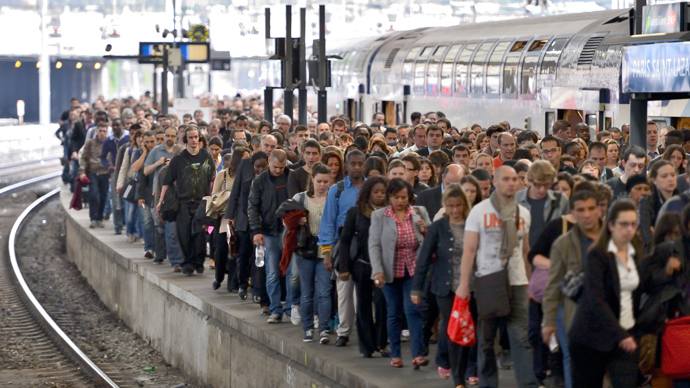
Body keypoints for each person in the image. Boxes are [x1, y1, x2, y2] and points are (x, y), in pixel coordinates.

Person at [456, 166, 539, 388]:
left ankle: (528, 383)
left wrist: (529, 283)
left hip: (518, 281)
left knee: (520, 337)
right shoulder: (480, 211)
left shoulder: (524, 213)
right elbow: (470, 250)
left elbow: (525, 250)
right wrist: (464, 284)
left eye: (514, 179)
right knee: (486, 340)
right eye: (506, 179)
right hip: (489, 280)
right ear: (495, 182)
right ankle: (488, 383)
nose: (511, 183)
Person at [568, 199, 641, 388]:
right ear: (610, 225)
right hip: (592, 336)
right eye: (624, 224)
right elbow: (595, 300)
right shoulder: (598, 255)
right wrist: (620, 334)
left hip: (625, 333)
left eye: (633, 224)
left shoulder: (637, 251)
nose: (629, 229)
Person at [412, 183, 473, 387]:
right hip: (445, 287)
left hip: (471, 286)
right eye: (451, 206)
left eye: (458, 205)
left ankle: (469, 368)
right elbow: (425, 258)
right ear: (445, 206)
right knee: (452, 328)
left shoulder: (473, 224)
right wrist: (417, 288)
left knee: (471, 328)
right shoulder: (438, 227)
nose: (455, 210)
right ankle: (458, 377)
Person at [539, 189, 601, 388]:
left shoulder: (612, 239)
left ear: (599, 210)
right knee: (572, 358)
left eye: (591, 208)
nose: (587, 214)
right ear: (572, 213)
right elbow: (553, 285)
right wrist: (548, 321)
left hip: (606, 313)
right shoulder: (562, 243)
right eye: (581, 210)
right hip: (570, 310)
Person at [370, 178, 431, 368]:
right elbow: (374, 244)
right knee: (393, 312)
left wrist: (425, 230)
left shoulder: (419, 213)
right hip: (390, 271)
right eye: (397, 197)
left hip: (413, 269)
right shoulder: (380, 216)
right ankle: (395, 354)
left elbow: (431, 240)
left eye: (404, 197)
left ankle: (418, 354)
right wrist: (377, 271)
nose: (401, 201)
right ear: (390, 197)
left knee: (413, 310)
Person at [319, 150, 366, 347]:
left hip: (365, 245)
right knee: (344, 291)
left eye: (360, 163)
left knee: (364, 294)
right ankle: (344, 332)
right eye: (353, 164)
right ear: (346, 165)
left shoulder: (371, 188)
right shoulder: (336, 190)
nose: (356, 167)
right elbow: (328, 222)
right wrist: (327, 253)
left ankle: (365, 333)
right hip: (343, 246)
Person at [339, 176, 390, 358]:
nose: (379, 196)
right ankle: (366, 346)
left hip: (384, 267)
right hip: (362, 265)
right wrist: (344, 267)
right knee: (363, 305)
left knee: (382, 304)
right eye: (375, 192)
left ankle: (382, 343)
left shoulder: (390, 213)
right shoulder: (356, 213)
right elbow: (345, 241)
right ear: (368, 193)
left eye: (383, 192)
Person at [158, 126, 215, 276]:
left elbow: (211, 179)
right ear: (185, 140)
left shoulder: (206, 156)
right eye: (190, 137)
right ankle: (187, 263)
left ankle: (199, 261)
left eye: (196, 137)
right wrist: (160, 201)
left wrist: (212, 198)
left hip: (201, 202)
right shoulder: (178, 159)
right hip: (182, 202)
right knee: (183, 234)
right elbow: (167, 181)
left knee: (200, 234)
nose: (194, 140)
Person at [247, 149, 292, 323]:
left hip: (289, 231)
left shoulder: (291, 177)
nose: (278, 170)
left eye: (281, 167)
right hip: (268, 231)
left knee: (290, 273)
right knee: (272, 272)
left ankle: (290, 306)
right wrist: (256, 230)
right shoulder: (259, 181)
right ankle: (275, 308)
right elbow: (252, 207)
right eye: (275, 167)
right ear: (269, 162)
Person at [292, 163, 333, 344]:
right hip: (305, 249)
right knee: (307, 292)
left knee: (324, 291)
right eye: (319, 181)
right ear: (312, 180)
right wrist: (296, 221)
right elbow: (286, 221)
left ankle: (324, 329)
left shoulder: (333, 199)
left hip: (325, 250)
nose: (322, 185)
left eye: (326, 181)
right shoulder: (300, 198)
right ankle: (308, 328)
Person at [227, 151, 270, 309]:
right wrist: (229, 215)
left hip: (260, 223)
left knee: (258, 257)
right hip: (243, 219)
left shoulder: (269, 176)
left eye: (263, 166)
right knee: (243, 254)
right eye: (257, 167)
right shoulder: (244, 166)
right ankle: (242, 285)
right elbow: (235, 191)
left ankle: (257, 289)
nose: (260, 169)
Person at [211, 147, 251, 292]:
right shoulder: (224, 174)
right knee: (222, 250)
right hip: (225, 217)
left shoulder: (250, 174)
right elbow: (214, 196)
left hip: (241, 218)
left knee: (237, 252)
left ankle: (234, 283)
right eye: (243, 157)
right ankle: (218, 277)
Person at [639, 160, 679, 251]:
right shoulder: (646, 202)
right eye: (664, 176)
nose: (670, 179)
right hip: (655, 253)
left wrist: (657, 232)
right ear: (654, 180)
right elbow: (647, 235)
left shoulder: (683, 200)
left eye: (673, 175)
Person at [100, 118, 130, 235]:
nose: (116, 128)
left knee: (127, 198)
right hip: (115, 172)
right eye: (114, 126)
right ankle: (117, 226)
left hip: (127, 171)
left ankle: (127, 225)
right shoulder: (109, 140)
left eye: (118, 125)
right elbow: (102, 156)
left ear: (122, 125)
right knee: (115, 198)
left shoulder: (127, 138)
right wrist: (108, 166)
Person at [78, 122, 110, 228]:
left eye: (104, 131)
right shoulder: (90, 143)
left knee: (103, 197)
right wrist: (82, 172)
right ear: (96, 131)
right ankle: (93, 218)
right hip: (93, 172)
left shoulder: (109, 143)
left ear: (107, 132)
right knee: (93, 195)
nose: (102, 133)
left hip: (105, 173)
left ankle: (100, 218)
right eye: (100, 131)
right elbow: (83, 158)